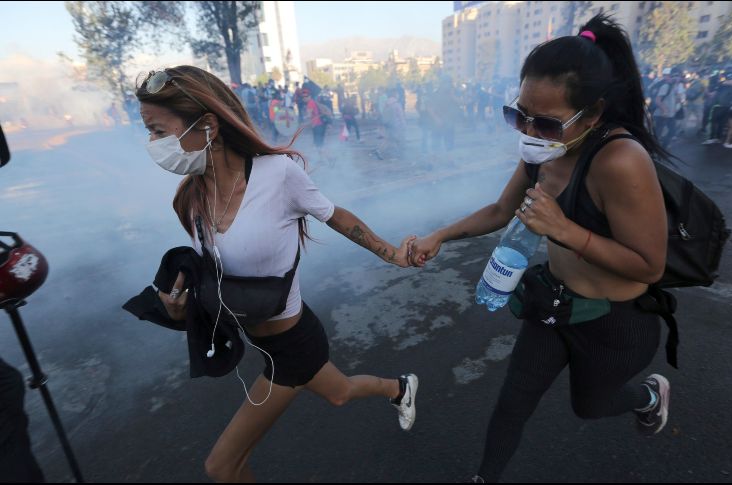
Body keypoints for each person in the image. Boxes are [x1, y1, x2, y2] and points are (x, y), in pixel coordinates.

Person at [409, 15, 669, 483]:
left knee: (590, 406)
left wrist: (566, 230)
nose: (528, 131)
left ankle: (649, 397)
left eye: (545, 122)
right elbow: (500, 209)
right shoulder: (542, 149)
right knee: (512, 402)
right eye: (518, 115)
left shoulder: (621, 161)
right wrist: (440, 236)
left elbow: (649, 265)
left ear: (591, 114)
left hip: (615, 321)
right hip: (555, 303)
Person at [135, 66, 419, 483]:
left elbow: (333, 215)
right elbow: (215, 275)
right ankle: (400, 387)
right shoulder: (191, 197)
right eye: (149, 133)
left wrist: (390, 252)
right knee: (339, 394)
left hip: (293, 343)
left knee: (222, 466)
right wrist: (179, 308)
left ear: (208, 125)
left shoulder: (277, 173)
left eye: (159, 131)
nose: (153, 145)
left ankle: (399, 387)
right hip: (260, 342)